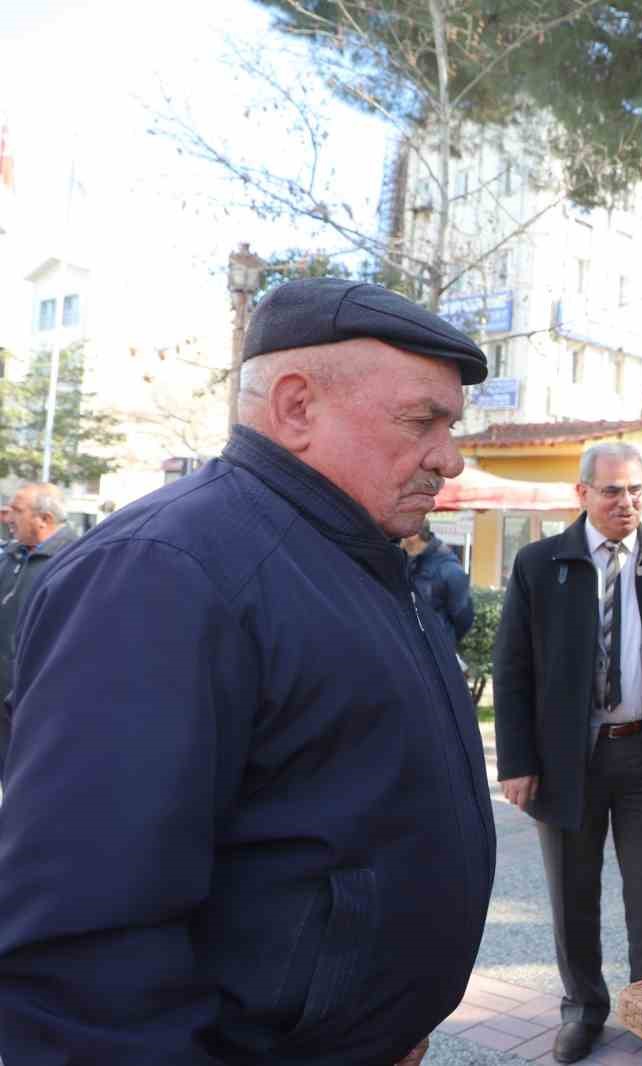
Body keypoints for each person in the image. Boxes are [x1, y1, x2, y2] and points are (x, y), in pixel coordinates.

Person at [0, 277, 495, 1065]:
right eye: (422, 421)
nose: (450, 455)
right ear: (297, 408)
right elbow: (84, 949)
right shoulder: (164, 571)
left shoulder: (356, 556)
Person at [492, 442, 642, 1064]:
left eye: (635, 490)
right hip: (566, 762)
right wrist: (518, 761)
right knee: (572, 897)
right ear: (581, 494)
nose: (626, 503)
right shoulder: (539, 563)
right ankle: (583, 1010)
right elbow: (512, 667)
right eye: (611, 491)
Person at [0, 482, 78, 735]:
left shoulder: (75, 560)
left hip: (32, 702)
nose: (8, 516)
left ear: (44, 519)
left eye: (17, 510)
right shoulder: (12, 555)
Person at [402, 520, 475, 645]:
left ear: (413, 535)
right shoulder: (403, 561)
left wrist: (443, 643)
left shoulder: (449, 569)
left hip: (435, 650)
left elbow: (463, 618)